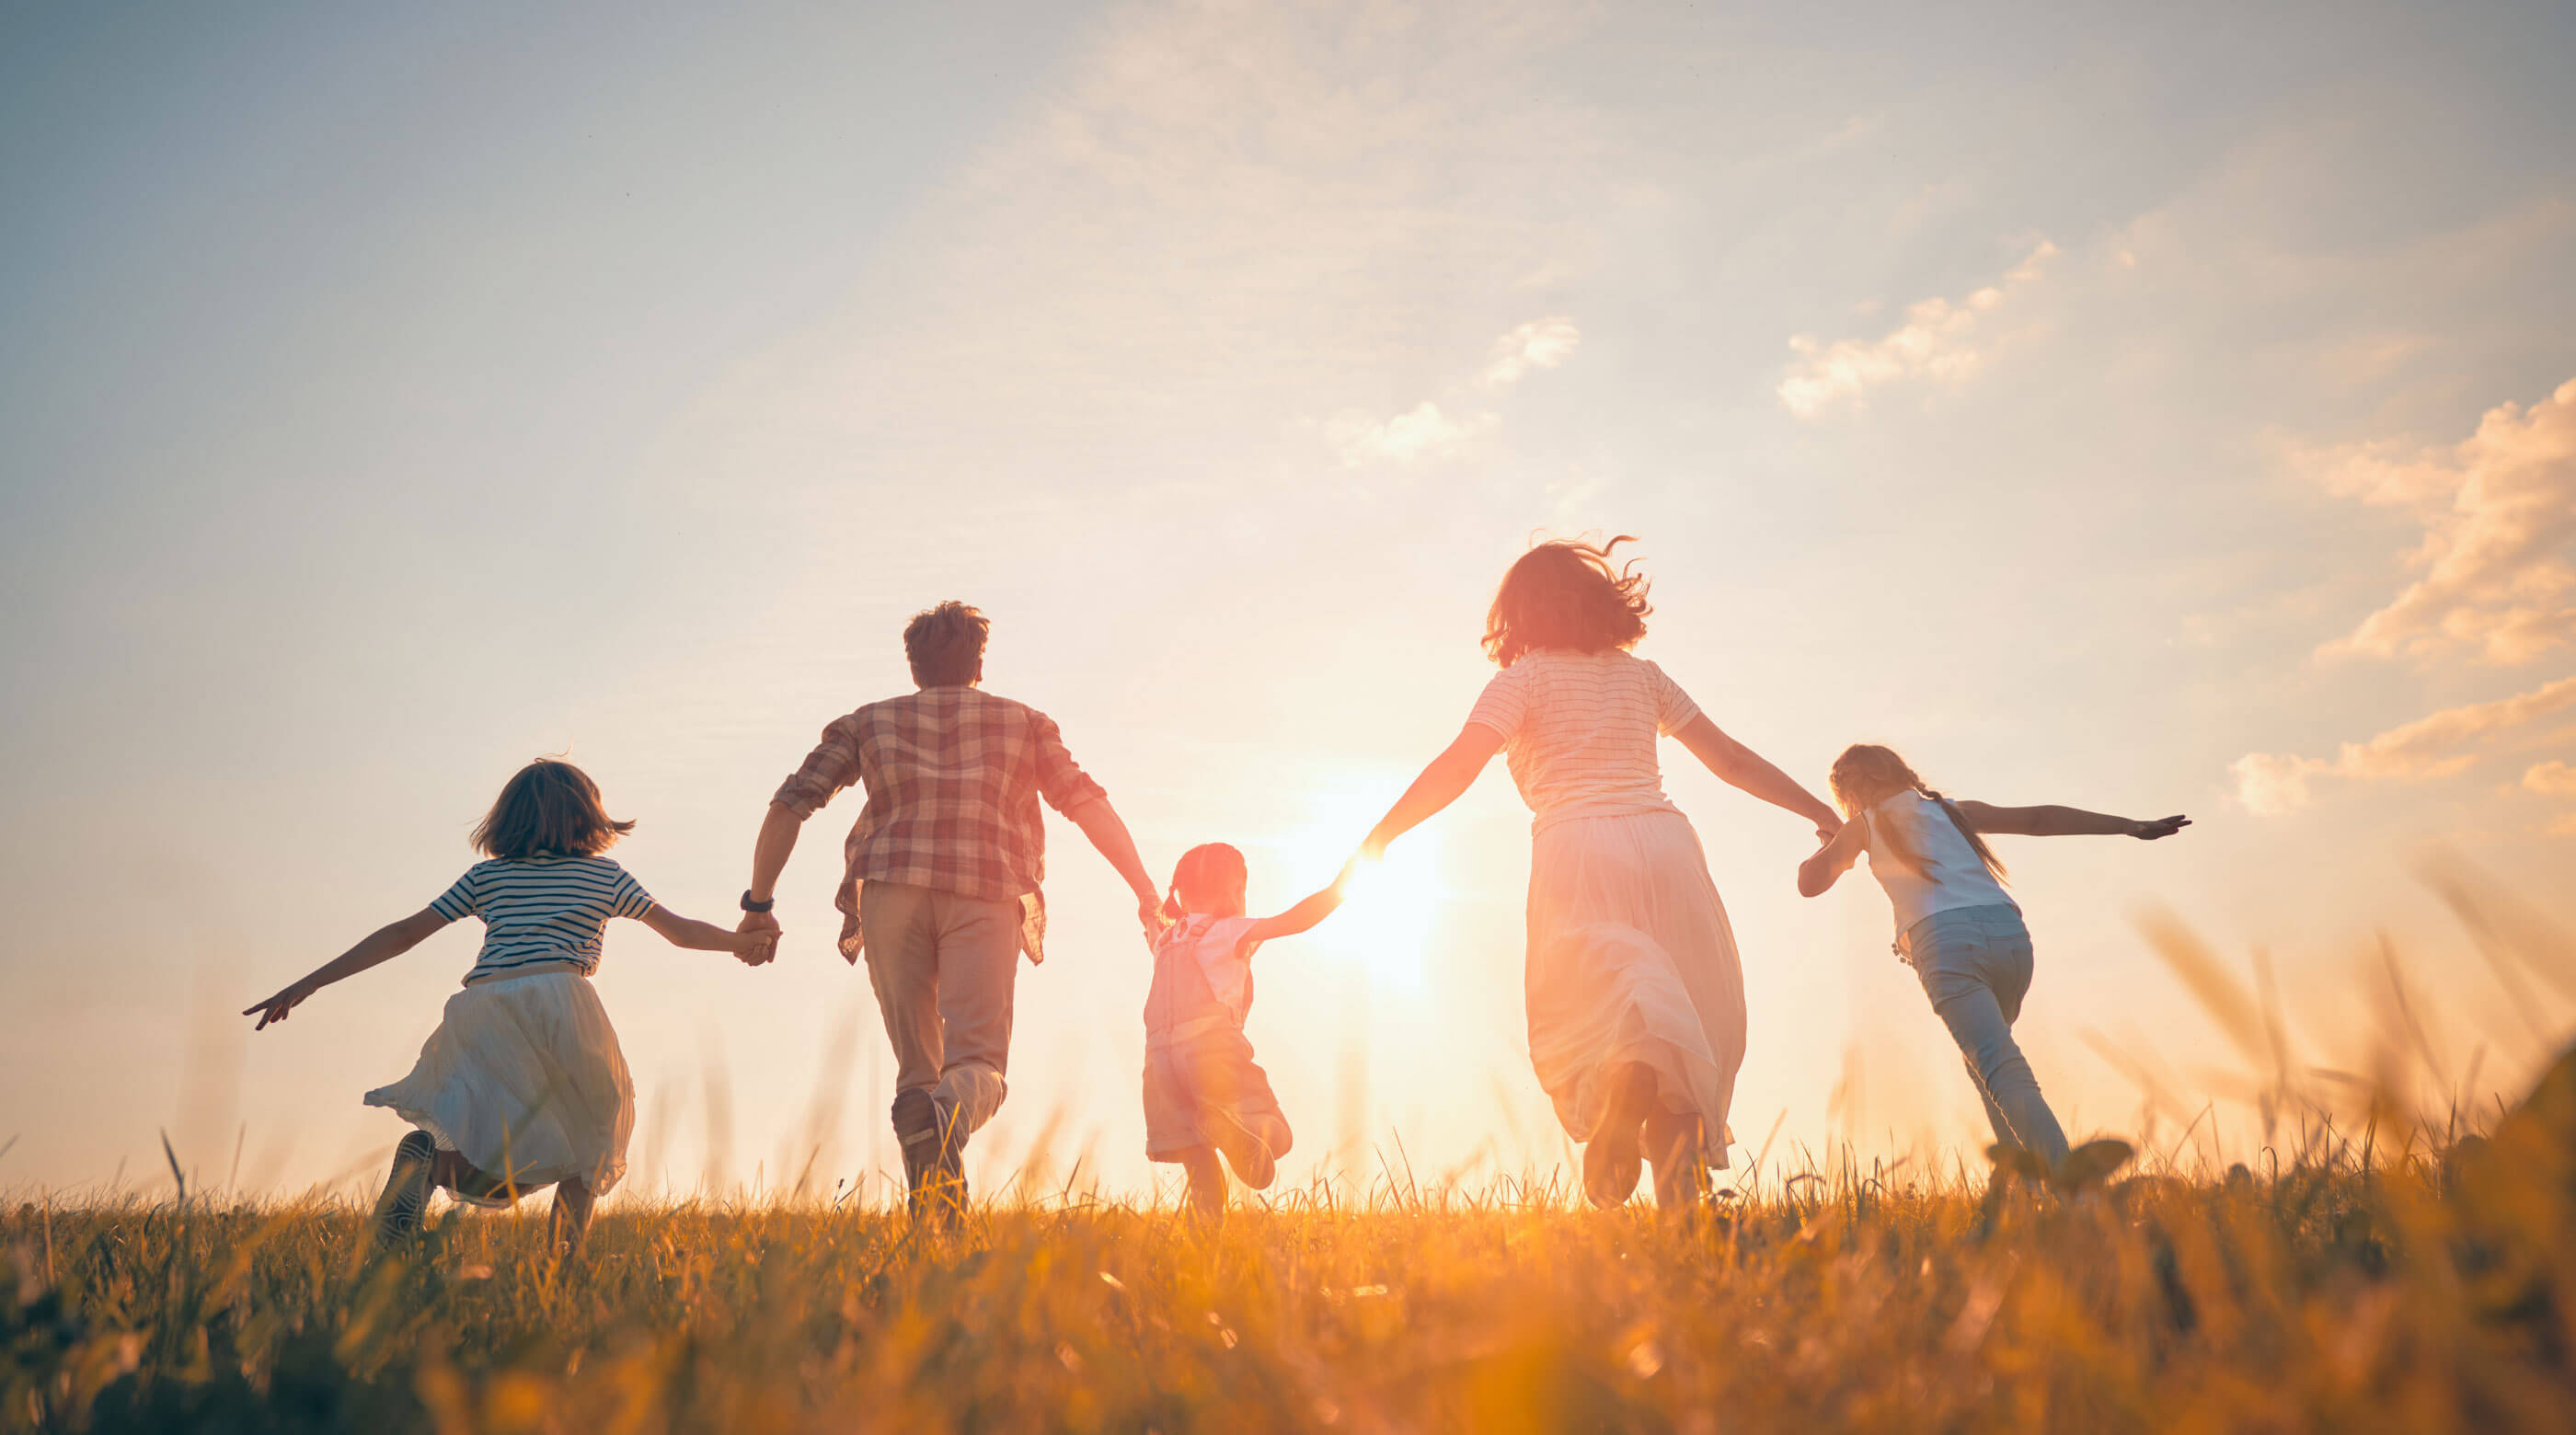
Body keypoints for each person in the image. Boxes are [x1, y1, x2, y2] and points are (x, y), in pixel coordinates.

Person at [1357, 537, 1841, 1209]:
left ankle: (1626, 1082)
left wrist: (1380, 837)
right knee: (1687, 1021)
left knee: (1601, 1004)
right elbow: (1730, 759)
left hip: (1576, 848)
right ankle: (1684, 1216)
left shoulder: (1520, 681)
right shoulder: (1643, 677)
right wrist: (1823, 813)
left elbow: (1457, 766)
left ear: (1517, 615)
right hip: (1668, 846)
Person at [243, 758, 773, 1254]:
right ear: (587, 815)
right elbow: (680, 933)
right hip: (560, 1000)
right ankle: (561, 1268)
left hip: (484, 1007)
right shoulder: (603, 875)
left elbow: (404, 933)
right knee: (593, 1132)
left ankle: (426, 1168)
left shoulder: (487, 877)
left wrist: (309, 982)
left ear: (506, 820)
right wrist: (742, 942)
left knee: (493, 1134)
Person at [738, 601, 1162, 1221]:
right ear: (979, 664)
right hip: (984, 887)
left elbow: (790, 804)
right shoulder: (1024, 723)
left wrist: (759, 904)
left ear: (913, 667)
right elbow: (1085, 803)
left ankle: (937, 1217)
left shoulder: (867, 723)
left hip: (890, 891)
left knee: (920, 1065)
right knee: (978, 1064)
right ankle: (941, 1131)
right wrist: (1145, 891)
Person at [1797, 742, 2188, 1172]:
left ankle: (2074, 1194)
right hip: (2010, 939)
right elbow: (2039, 819)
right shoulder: (1949, 810)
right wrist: (2131, 826)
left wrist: (1828, 841)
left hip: (1946, 945)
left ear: (1855, 789)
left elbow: (1809, 883)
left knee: (2000, 1069)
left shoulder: (1864, 826)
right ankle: (2026, 1187)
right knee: (1985, 1065)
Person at [1144, 843, 1348, 1217]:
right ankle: (1231, 1127)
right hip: (1211, 1050)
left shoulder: (1166, 940)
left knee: (1198, 1163)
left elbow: (1150, 923)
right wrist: (1343, 884)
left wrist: (1147, 902)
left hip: (1160, 1064)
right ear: (1233, 892)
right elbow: (1297, 920)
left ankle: (1204, 1246)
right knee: (1277, 1135)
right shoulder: (1229, 931)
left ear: (1181, 895)